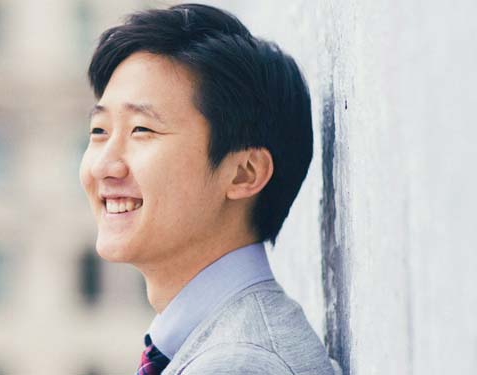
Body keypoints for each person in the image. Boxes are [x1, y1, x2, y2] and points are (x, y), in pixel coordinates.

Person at [80, 4, 340, 375]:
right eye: (99, 132)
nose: (104, 165)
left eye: (142, 130)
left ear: (243, 174)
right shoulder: (219, 343)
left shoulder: (238, 363)